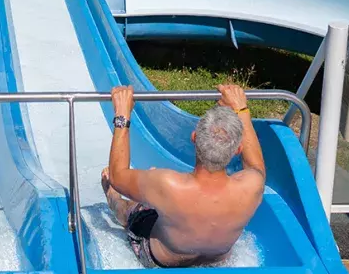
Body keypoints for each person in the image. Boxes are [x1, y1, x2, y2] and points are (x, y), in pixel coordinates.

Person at [103, 84, 265, 268]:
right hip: (216, 260)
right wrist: (240, 108)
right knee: (156, 193)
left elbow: (117, 176)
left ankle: (115, 201)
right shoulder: (252, 185)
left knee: (136, 208)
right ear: (238, 149)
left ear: (194, 137)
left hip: (163, 260)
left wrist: (122, 115)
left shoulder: (168, 184)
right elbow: (255, 164)